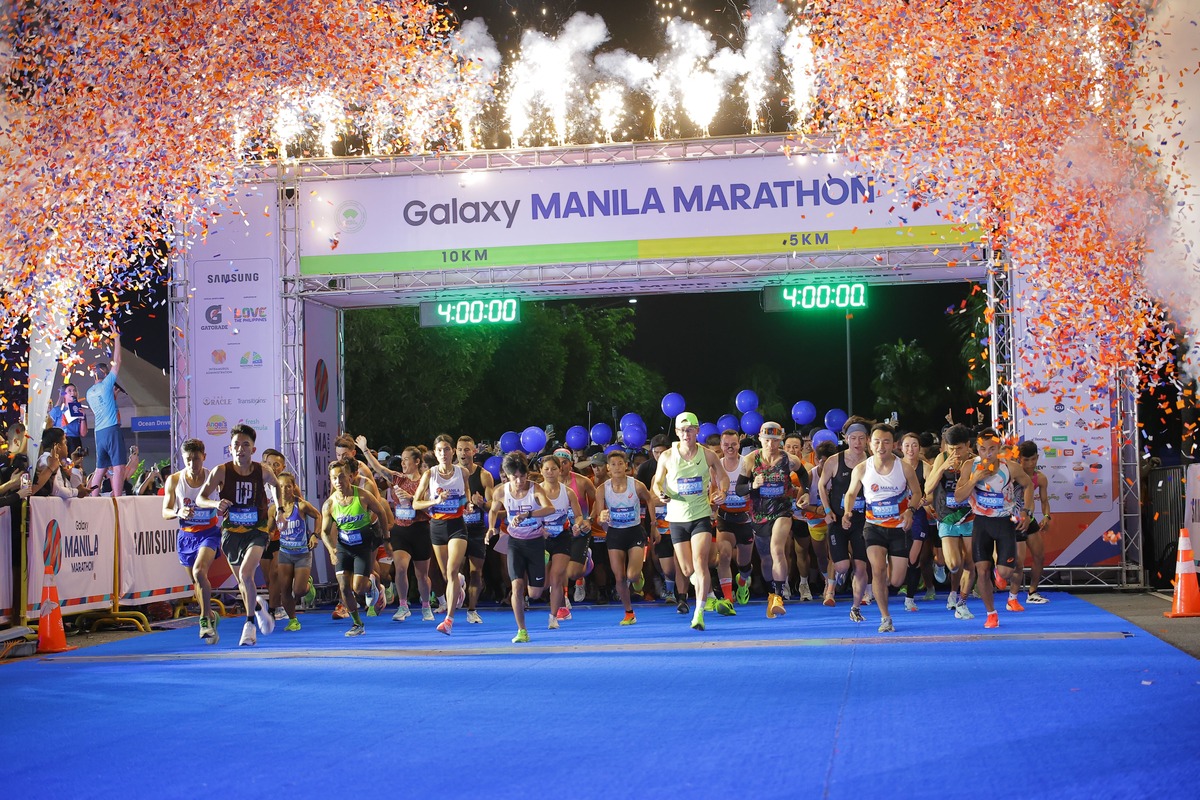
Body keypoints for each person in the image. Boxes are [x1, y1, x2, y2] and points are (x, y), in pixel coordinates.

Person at [197, 424, 282, 646]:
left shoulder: (262, 470)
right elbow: (200, 498)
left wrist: (279, 508)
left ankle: (250, 624)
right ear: (230, 448)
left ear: (253, 449)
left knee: (246, 574)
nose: (240, 449)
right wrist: (216, 502)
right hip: (231, 532)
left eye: (245, 445)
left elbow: (275, 486)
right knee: (244, 583)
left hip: (257, 529)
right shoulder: (221, 471)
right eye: (236, 445)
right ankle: (259, 608)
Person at [840, 424, 923, 632]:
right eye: (876, 441)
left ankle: (882, 593)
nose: (881, 446)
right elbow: (851, 493)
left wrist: (910, 511)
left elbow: (917, 493)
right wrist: (847, 512)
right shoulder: (861, 468)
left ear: (894, 444)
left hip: (899, 528)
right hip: (873, 527)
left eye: (886, 442)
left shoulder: (904, 468)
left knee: (896, 580)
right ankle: (885, 618)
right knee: (877, 570)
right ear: (870, 443)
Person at [953, 428, 1035, 629]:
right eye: (982, 449)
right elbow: (958, 497)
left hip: (1004, 522)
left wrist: (1026, 511)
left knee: (1006, 572)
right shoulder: (969, 467)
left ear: (998, 448)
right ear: (977, 449)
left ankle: (1001, 575)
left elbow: (1028, 485)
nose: (987, 453)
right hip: (981, 523)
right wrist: (974, 480)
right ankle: (991, 614)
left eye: (992, 449)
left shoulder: (1010, 467)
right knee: (981, 570)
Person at [652, 411, 727, 631]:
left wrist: (721, 490)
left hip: (701, 515)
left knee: (700, 562)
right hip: (676, 518)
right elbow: (657, 483)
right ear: (677, 432)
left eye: (690, 429)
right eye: (683, 430)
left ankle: (699, 612)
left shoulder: (708, 455)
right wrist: (661, 493)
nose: (687, 434)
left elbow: (722, 476)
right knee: (686, 570)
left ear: (697, 431)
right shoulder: (667, 456)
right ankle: (708, 593)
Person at [487, 452, 556, 642]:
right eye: (514, 477)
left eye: (522, 476)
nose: (519, 481)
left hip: (535, 542)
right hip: (515, 543)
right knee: (516, 587)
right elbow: (493, 511)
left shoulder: (535, 490)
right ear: (507, 475)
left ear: (527, 474)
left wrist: (529, 514)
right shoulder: (501, 491)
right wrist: (491, 528)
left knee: (535, 593)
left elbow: (550, 509)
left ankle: (544, 560)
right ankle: (522, 631)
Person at [739, 422, 806, 619]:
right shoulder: (751, 459)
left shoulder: (789, 459)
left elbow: (803, 475)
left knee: (777, 548)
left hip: (782, 510)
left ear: (780, 441)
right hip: (759, 514)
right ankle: (771, 593)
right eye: (767, 440)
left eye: (775, 441)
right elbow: (739, 489)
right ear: (760, 439)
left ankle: (779, 596)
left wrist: (806, 493)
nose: (771, 444)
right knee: (766, 558)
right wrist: (753, 484)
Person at [320, 457, 390, 637]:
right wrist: (331, 550)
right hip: (344, 547)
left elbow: (381, 511)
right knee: (344, 587)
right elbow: (325, 532)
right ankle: (358, 624)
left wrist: (385, 536)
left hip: (363, 547)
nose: (338, 482)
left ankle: (373, 585)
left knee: (358, 588)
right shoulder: (329, 504)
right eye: (334, 478)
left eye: (342, 477)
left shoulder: (363, 495)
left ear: (350, 477)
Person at [162, 438, 222, 644]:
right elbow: (165, 511)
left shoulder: (213, 477)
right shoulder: (174, 480)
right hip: (186, 536)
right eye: (188, 460)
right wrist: (179, 511)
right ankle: (212, 615)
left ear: (204, 457)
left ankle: (204, 619)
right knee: (196, 582)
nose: (192, 464)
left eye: (196, 459)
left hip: (209, 533)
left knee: (199, 571)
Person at [412, 434, 472, 635]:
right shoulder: (430, 474)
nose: (443, 453)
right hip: (437, 525)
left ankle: (449, 619)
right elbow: (415, 503)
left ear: (453, 451)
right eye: (439, 450)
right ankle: (458, 584)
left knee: (452, 571)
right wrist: (435, 501)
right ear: (435, 453)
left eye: (447, 449)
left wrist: (469, 505)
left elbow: (466, 497)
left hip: (457, 525)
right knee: (447, 575)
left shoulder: (462, 472)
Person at [592, 450, 659, 626]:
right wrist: (602, 517)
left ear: (626, 466)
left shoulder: (636, 485)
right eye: (613, 464)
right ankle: (629, 612)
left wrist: (653, 526)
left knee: (632, 574)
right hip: (615, 534)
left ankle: (638, 579)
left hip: (635, 531)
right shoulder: (602, 490)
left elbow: (650, 500)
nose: (617, 467)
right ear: (608, 468)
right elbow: (599, 516)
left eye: (620, 464)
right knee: (620, 577)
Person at [818, 418, 871, 621]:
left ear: (867, 440)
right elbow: (822, 486)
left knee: (861, 565)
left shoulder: (871, 461)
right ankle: (837, 577)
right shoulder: (834, 460)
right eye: (853, 438)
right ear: (846, 439)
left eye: (861, 438)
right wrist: (827, 510)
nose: (857, 442)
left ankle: (856, 607)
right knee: (842, 565)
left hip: (862, 520)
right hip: (838, 518)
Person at [925, 424, 978, 620]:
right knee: (954, 564)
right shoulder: (942, 458)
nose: (955, 452)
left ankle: (961, 603)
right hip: (947, 516)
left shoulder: (975, 461)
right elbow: (928, 488)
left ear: (968, 446)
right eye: (951, 448)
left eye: (959, 449)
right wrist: (942, 469)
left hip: (970, 515)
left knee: (970, 564)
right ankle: (943, 569)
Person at [387, 447, 436, 621]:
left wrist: (410, 498)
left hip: (420, 529)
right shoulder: (397, 478)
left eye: (407, 459)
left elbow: (430, 505)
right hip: (400, 530)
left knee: (421, 575)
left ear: (416, 462)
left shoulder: (425, 481)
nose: (403, 463)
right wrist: (365, 451)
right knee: (400, 569)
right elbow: (379, 469)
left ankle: (426, 606)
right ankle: (403, 605)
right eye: (402, 459)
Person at [540, 454, 588, 627]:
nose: (550, 472)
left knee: (556, 577)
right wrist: (539, 529)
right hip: (542, 539)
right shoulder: (536, 492)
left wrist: (578, 525)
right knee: (541, 585)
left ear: (559, 470)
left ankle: (553, 617)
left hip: (562, 537)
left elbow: (579, 516)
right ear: (541, 471)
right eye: (546, 469)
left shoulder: (568, 492)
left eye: (554, 469)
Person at [273, 472, 321, 631]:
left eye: (288, 486)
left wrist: (315, 535)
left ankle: (309, 585)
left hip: (302, 554)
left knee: (298, 590)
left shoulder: (301, 505)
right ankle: (293, 620)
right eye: (281, 486)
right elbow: (269, 528)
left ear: (293, 487)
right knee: (284, 589)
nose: (285, 489)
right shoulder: (274, 509)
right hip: (285, 553)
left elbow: (318, 516)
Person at [86, 323, 127, 497]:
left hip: (99, 433)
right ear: (103, 372)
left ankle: (93, 499)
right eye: (105, 370)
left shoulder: (89, 393)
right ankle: (118, 499)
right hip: (111, 429)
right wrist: (116, 338)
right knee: (119, 466)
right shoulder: (106, 384)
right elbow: (117, 361)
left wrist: (113, 397)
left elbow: (103, 406)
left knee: (100, 468)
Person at [715, 429, 755, 606]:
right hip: (725, 517)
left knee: (744, 565)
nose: (730, 448)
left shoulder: (747, 463)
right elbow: (711, 492)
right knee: (723, 555)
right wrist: (715, 498)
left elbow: (757, 488)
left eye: (733, 444)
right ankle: (728, 599)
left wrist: (750, 493)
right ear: (721, 446)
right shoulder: (716, 465)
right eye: (726, 445)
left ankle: (742, 582)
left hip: (745, 518)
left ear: (739, 444)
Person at [457, 436, 494, 624]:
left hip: (477, 529)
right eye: (460, 449)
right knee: (454, 570)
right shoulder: (451, 474)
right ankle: (454, 598)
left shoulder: (484, 475)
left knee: (475, 572)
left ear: (473, 452)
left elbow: (492, 508)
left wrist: (482, 503)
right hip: (456, 528)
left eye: (467, 450)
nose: (463, 453)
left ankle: (472, 610)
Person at [1014, 440, 1051, 604]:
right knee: (1017, 562)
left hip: (1029, 519)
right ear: (1019, 459)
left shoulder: (1040, 478)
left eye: (1033, 459)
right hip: (1010, 520)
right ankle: (1010, 594)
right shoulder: (1011, 473)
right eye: (1025, 460)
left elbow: (1044, 501)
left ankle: (1032, 592)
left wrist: (1047, 516)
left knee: (1039, 556)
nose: (1030, 463)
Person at [784, 432, 815, 602]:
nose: (791, 450)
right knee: (785, 551)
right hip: (783, 514)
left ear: (801, 449)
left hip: (802, 515)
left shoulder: (808, 468)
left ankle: (804, 584)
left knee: (801, 551)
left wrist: (797, 492)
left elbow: (810, 491)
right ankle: (785, 585)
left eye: (795, 447)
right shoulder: (777, 467)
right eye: (788, 446)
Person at [31, 427, 91, 499]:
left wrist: (74, 465)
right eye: (65, 443)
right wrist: (77, 492)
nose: (66, 447)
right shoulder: (47, 461)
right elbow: (58, 490)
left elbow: (72, 485)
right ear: (58, 446)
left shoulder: (59, 462)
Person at [48, 383, 88, 458]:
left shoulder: (80, 411)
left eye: (74, 390)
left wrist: (82, 418)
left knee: (74, 467)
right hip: (60, 442)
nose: (73, 393)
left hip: (74, 442)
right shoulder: (57, 410)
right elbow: (48, 427)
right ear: (64, 394)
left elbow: (83, 433)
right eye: (69, 391)